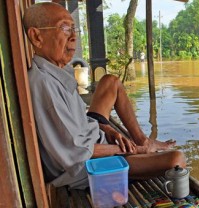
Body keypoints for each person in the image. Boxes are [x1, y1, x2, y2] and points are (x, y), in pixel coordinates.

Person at [23, 2, 186, 189]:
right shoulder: (43, 84)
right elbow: (78, 152)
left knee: (111, 82)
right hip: (86, 167)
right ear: (37, 37)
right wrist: (133, 150)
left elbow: (73, 125)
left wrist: (107, 129)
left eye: (74, 28)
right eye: (65, 28)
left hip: (93, 137)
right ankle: (142, 146)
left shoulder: (55, 72)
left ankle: (143, 139)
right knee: (176, 159)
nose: (74, 37)